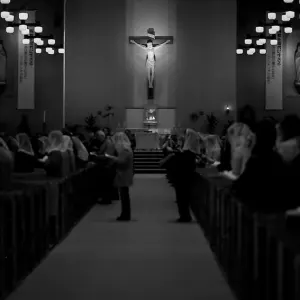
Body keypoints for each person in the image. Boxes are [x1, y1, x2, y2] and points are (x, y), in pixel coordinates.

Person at [172, 129, 200, 222]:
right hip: (186, 178)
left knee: (182, 198)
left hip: (183, 178)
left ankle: (185, 216)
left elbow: (183, 163)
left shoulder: (188, 152)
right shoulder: (191, 152)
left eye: (187, 136)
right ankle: (184, 215)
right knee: (183, 198)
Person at [105, 132, 134, 221]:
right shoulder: (127, 149)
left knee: (124, 195)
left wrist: (112, 158)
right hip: (125, 173)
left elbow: (122, 161)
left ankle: (125, 215)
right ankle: (125, 214)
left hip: (124, 173)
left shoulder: (124, 150)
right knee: (124, 195)